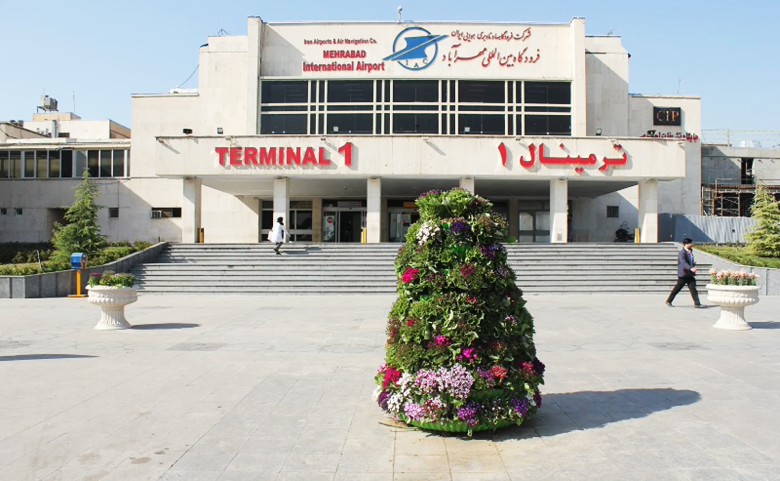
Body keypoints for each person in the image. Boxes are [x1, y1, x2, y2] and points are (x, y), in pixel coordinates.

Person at [666, 238, 703, 308]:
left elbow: (689, 261)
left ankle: (697, 303)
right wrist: (691, 268)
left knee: (693, 288)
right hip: (683, 274)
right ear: (686, 244)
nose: (692, 244)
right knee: (677, 289)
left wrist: (693, 264)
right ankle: (669, 301)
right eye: (690, 243)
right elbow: (683, 262)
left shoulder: (690, 251)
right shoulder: (682, 253)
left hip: (689, 274)